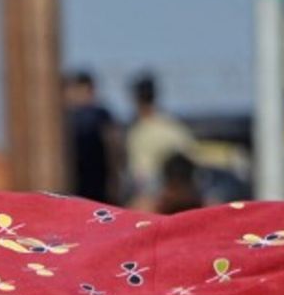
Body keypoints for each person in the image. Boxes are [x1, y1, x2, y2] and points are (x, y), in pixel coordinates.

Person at [125, 71, 195, 210]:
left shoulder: (138, 132)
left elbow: (141, 175)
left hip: (156, 200)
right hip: (178, 196)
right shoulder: (173, 126)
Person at [63, 69, 123, 204]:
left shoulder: (100, 114)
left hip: (98, 183)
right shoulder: (69, 116)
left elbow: (113, 146)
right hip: (77, 184)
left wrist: (115, 179)